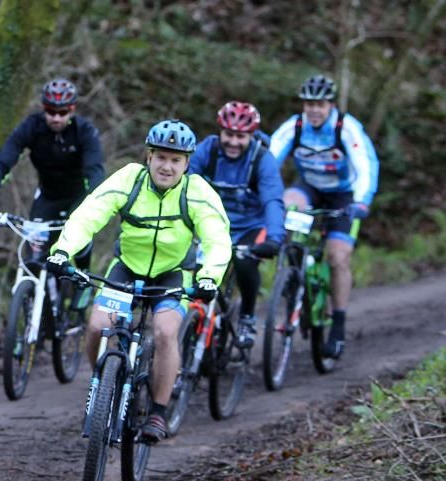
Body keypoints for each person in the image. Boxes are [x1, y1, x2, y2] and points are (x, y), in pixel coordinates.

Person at [47, 120, 232, 443]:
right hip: (127, 269)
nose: (167, 166)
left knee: (165, 331)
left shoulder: (197, 191)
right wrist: (63, 251)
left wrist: (208, 277)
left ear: (187, 164)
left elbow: (217, 239)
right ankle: (105, 380)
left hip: (173, 273)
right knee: (96, 326)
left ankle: (158, 412)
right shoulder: (129, 179)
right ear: (149, 157)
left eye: (176, 160)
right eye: (161, 157)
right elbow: (90, 214)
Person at [269, 74, 380, 359]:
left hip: (343, 196)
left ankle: (338, 325)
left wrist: (361, 201)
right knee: (286, 206)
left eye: (319, 104)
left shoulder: (346, 128)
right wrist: (265, 197)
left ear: (330, 104)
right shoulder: (294, 126)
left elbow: (366, 165)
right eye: (309, 104)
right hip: (310, 188)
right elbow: (268, 162)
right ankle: (294, 280)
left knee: (338, 257)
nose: (314, 110)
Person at [0, 77, 105, 272]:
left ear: (72, 110)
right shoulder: (32, 127)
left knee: (79, 244)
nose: (56, 118)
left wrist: (93, 205)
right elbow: (3, 161)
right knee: (34, 258)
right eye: (51, 111)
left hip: (78, 198)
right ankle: (33, 295)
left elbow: (94, 171)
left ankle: (82, 283)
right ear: (43, 108)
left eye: (62, 112)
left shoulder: (84, 131)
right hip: (47, 197)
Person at [189, 101, 286, 349]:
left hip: (249, 227)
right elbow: (184, 184)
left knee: (244, 260)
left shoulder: (262, 159)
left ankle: (247, 317)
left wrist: (274, 238)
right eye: (229, 135)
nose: (233, 142)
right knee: (193, 268)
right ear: (220, 131)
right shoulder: (207, 150)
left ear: (251, 135)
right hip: (210, 225)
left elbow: (273, 200)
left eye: (240, 136)